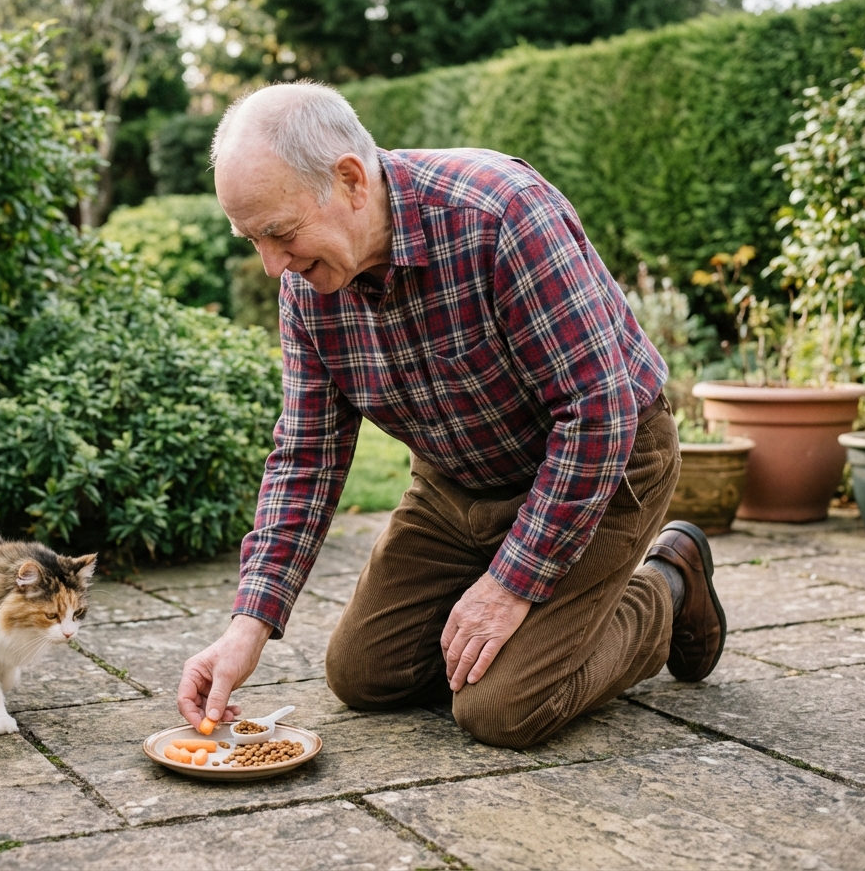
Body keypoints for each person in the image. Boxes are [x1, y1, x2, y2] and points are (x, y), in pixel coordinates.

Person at [177, 82, 726, 748]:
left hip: (604, 466)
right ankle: (536, 612)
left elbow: (597, 414)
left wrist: (511, 585)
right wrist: (248, 626)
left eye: (280, 233)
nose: (272, 267)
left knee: (501, 709)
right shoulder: (307, 285)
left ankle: (668, 584)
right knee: (364, 674)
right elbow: (307, 456)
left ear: (350, 180)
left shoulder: (501, 213)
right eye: (252, 240)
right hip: (456, 482)